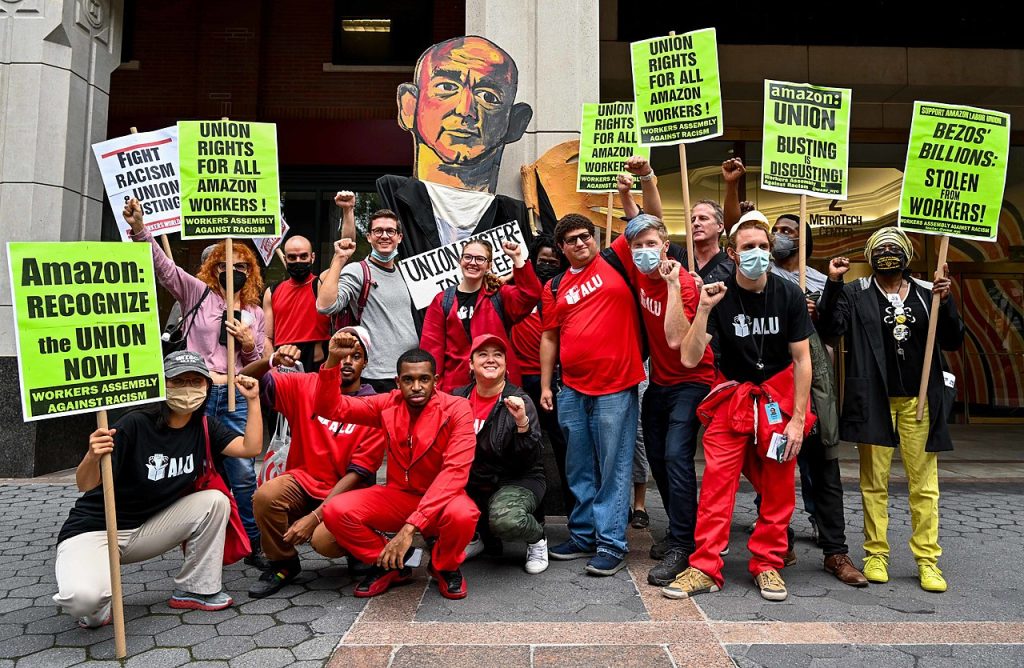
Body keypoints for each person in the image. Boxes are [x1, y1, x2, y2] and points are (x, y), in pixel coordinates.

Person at [661, 210, 815, 602]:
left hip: (778, 401)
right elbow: (689, 358)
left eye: (763, 246)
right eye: (749, 247)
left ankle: (768, 564)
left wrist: (797, 421)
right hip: (733, 399)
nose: (758, 253)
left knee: (778, 488)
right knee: (716, 484)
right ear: (732, 252)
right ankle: (704, 567)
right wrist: (704, 309)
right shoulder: (719, 293)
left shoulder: (789, 294)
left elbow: (802, 360)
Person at [53, 352, 263, 627]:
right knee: (85, 600)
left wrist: (253, 400)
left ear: (207, 387)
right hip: (96, 530)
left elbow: (250, 448)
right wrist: (92, 456)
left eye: (195, 381)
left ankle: (196, 588)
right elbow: (86, 484)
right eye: (178, 381)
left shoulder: (204, 426)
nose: (187, 389)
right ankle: (98, 601)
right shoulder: (135, 424)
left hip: (147, 530)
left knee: (216, 501)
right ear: (162, 385)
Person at [124, 197, 268, 569]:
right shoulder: (195, 293)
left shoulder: (253, 312)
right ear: (212, 268)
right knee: (196, 471)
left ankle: (253, 545)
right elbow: (163, 267)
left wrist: (249, 344)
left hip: (234, 397)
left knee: (242, 473)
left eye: (240, 266)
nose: (232, 271)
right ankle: (202, 543)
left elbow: (255, 363)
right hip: (197, 395)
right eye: (224, 265)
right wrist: (141, 230)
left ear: (250, 271)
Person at [818, 227, 964, 593]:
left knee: (924, 486)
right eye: (880, 248)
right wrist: (833, 283)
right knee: (873, 483)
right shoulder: (855, 292)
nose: (887, 253)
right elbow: (830, 326)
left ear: (907, 256)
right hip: (875, 401)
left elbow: (952, 340)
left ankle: (927, 560)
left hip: (920, 401)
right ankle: (876, 554)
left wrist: (947, 302)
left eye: (894, 247)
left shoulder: (929, 293)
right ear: (869, 256)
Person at [316, 334, 479, 600]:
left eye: (424, 379)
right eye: (408, 380)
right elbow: (331, 409)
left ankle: (443, 566)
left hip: (442, 500)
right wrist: (332, 360)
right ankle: (391, 564)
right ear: (397, 382)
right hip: (400, 496)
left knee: (464, 514)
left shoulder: (458, 408)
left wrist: (410, 528)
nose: (416, 387)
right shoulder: (388, 403)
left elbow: (455, 472)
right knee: (335, 510)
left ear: (436, 381)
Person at [607, 211, 717, 587]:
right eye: (638, 246)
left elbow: (675, 340)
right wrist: (630, 190)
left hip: (694, 380)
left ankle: (684, 545)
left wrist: (672, 285)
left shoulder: (684, 283)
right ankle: (680, 529)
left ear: (666, 247)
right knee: (657, 458)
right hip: (660, 382)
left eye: (651, 244)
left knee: (675, 457)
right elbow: (632, 217)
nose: (643, 251)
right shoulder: (637, 270)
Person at [539, 214, 646, 576]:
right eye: (571, 239)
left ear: (595, 238)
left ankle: (611, 543)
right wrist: (545, 385)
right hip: (571, 388)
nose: (581, 243)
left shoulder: (616, 259)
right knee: (578, 467)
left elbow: (645, 220)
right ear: (561, 248)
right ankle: (583, 535)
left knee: (614, 466)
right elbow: (549, 336)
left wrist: (640, 187)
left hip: (616, 385)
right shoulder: (554, 286)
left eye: (585, 236)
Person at [246, 326, 386, 598]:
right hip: (303, 481)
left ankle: (359, 546)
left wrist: (314, 518)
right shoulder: (306, 384)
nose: (347, 361)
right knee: (265, 496)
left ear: (366, 363)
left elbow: (357, 475)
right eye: (341, 354)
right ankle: (283, 563)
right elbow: (248, 379)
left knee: (323, 541)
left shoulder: (374, 405)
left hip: (347, 496)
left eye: (355, 355)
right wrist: (271, 360)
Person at [767, 214, 867, 587]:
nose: (778, 237)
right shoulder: (761, 275)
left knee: (825, 471)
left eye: (788, 231)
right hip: (775, 387)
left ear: (804, 241)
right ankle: (778, 544)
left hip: (816, 389)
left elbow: (834, 330)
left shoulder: (821, 281)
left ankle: (835, 552)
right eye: (775, 230)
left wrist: (828, 295)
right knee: (772, 468)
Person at [377, 35, 534, 257]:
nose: (465, 109)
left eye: (488, 96)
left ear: (515, 123)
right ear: (409, 106)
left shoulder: (514, 217)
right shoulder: (389, 197)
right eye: (447, 86)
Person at [456, 334, 548, 574]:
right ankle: (476, 538)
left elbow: (531, 460)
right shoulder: (457, 398)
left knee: (506, 520)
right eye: (483, 354)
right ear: (471, 364)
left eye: (497, 355)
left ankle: (537, 539)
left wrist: (522, 424)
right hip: (475, 481)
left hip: (516, 480)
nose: (491, 359)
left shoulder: (520, 400)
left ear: (506, 366)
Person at [317, 206, 421, 394]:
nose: (384, 236)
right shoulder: (358, 271)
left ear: (399, 237)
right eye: (378, 231)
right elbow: (325, 306)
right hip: (375, 377)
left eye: (390, 231)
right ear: (369, 237)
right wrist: (339, 259)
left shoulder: (405, 273)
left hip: (407, 374)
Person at [420, 238, 541, 392]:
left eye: (480, 259)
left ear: (489, 265)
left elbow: (531, 294)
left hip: (498, 386)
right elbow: (431, 350)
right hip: (456, 389)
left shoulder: (499, 296)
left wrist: (517, 258)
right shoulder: (442, 301)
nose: (473, 263)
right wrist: (435, 391)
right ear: (460, 261)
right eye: (468, 257)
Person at [511, 235, 573, 514]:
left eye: (552, 262)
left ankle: (574, 509)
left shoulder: (562, 292)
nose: (547, 266)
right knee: (523, 444)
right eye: (542, 261)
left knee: (563, 445)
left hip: (555, 382)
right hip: (520, 381)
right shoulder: (517, 292)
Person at [262, 230, 339, 372]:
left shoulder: (321, 284)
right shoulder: (271, 292)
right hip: (283, 362)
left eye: (303, 256)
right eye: (292, 257)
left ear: (312, 257)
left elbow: (343, 252)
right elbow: (267, 337)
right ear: (285, 259)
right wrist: (272, 369)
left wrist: (348, 216)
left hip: (315, 364)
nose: (298, 261)